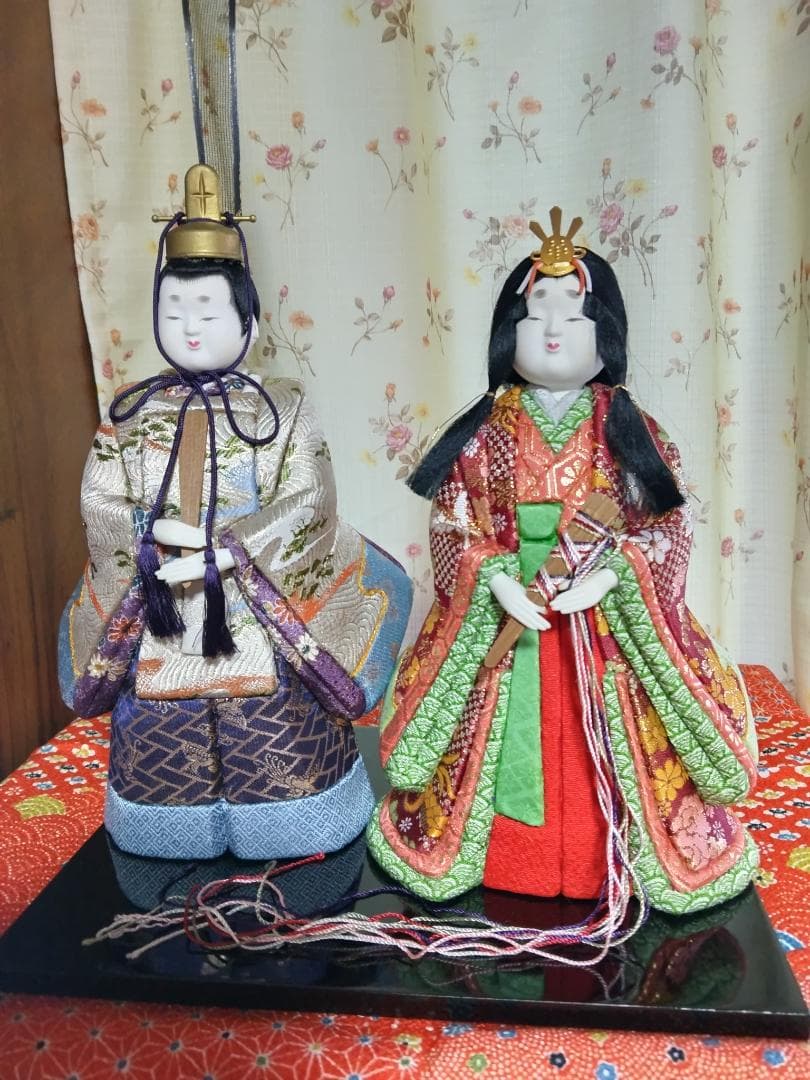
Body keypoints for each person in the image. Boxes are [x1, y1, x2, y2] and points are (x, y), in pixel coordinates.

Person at [367, 208, 758, 915]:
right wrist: (491, 576)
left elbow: (668, 525)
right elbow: (453, 520)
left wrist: (617, 573)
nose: (552, 332)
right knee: (506, 738)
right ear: (506, 332)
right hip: (507, 620)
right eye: (534, 316)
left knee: (599, 737)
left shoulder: (631, 429)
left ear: (605, 333)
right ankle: (510, 856)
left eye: (574, 318)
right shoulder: (484, 433)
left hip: (603, 628)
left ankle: (604, 854)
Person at [59, 164, 412, 860]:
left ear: (247, 320)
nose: (189, 328)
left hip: (257, 606)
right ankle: (168, 829)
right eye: (174, 312)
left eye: (208, 311)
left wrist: (231, 550)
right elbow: (101, 503)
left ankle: (295, 820)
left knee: (275, 727)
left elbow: (310, 498)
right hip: (161, 604)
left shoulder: (283, 406)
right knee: (162, 725)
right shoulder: (130, 416)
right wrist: (148, 544)